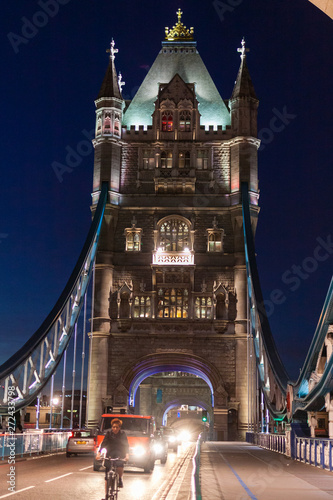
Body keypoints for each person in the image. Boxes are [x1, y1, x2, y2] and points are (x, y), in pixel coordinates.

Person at [96, 418, 129, 497]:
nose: (115, 429)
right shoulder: (108, 433)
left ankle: (120, 479)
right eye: (113, 427)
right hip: (109, 453)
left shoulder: (122, 434)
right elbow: (104, 443)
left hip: (119, 453)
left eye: (117, 427)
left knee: (120, 466)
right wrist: (99, 453)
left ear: (119, 428)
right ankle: (106, 494)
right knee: (107, 476)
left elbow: (126, 445)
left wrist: (127, 455)